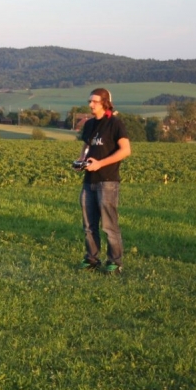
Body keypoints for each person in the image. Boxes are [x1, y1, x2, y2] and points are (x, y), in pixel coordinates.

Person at [76, 88, 132, 274]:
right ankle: (91, 259)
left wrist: (100, 164)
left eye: (95, 101)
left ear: (105, 103)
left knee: (108, 225)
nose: (90, 104)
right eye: (90, 101)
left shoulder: (115, 124)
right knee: (88, 225)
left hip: (107, 181)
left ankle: (114, 262)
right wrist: (81, 161)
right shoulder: (90, 124)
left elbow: (125, 150)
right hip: (88, 180)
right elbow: (86, 146)